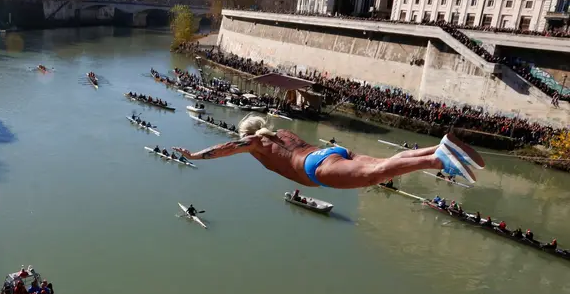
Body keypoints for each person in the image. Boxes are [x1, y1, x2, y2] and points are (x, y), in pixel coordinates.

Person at [172, 114, 484, 189]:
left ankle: (437, 160)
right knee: (385, 164)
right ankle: (439, 145)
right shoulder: (280, 132)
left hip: (316, 170)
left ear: (247, 134)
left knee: (379, 174)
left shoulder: (257, 142)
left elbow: (225, 148)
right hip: (331, 153)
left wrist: (195, 155)